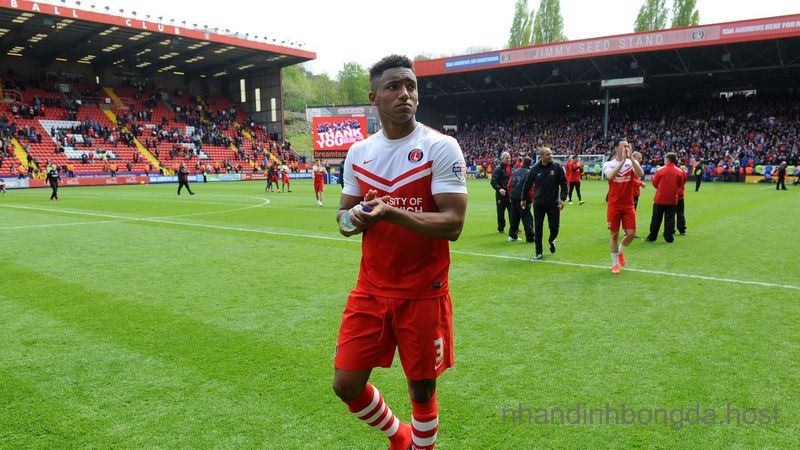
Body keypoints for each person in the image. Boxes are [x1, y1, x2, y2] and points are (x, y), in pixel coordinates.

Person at [333, 54, 468, 450]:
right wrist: (357, 217)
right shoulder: (359, 153)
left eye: (410, 86)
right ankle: (400, 436)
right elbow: (342, 221)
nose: (404, 94)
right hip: (371, 289)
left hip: (423, 290)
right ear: (374, 97)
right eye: (393, 87)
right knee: (345, 384)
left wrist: (390, 212)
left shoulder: (440, 147)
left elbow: (453, 224)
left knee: (421, 390)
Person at [603, 139, 644, 274]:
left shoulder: (631, 162)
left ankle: (620, 252)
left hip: (628, 205)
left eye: (628, 146)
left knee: (631, 234)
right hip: (614, 205)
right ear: (616, 149)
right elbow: (610, 176)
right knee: (614, 234)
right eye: (623, 146)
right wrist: (621, 162)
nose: (626, 148)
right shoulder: (609, 164)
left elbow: (640, 174)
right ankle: (615, 264)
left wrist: (631, 158)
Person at [521, 147, 567, 260]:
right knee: (538, 228)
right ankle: (538, 252)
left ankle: (551, 240)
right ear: (541, 156)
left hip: (553, 204)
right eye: (547, 154)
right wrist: (523, 198)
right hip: (539, 204)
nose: (550, 156)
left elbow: (564, 183)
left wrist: (562, 198)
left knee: (554, 228)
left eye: (551, 153)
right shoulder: (535, 169)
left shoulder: (557, 167)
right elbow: (527, 184)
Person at [646, 153, 685, 243]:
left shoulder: (660, 170)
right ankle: (668, 237)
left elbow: (655, 183)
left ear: (667, 160)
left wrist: (660, 188)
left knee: (656, 218)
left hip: (660, 198)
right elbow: (681, 184)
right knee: (670, 219)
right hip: (672, 199)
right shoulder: (680, 171)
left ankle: (652, 236)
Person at [508, 156, 534, 243]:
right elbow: (531, 188)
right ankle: (530, 238)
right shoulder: (530, 173)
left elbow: (509, 184)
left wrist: (511, 195)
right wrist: (530, 200)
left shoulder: (515, 171)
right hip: (523, 198)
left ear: (522, 162)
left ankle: (512, 235)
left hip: (514, 197)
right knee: (527, 218)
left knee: (514, 217)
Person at [490, 152, 512, 234]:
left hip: (510, 194)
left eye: (509, 158)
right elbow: (493, 181)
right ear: (502, 159)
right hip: (501, 194)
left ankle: (514, 228)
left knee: (512, 212)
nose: (508, 160)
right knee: (501, 212)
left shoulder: (510, 167)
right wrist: (499, 189)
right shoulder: (498, 169)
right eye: (507, 158)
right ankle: (501, 228)